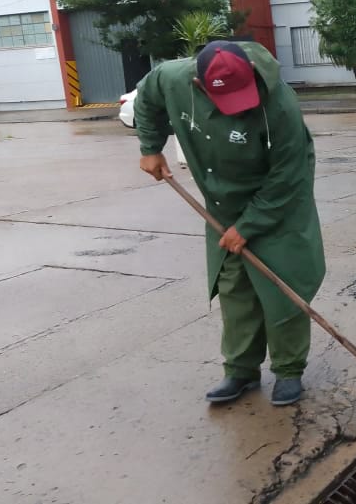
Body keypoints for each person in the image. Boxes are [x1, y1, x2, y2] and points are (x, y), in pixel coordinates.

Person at [133, 40, 326, 406]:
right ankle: (240, 370)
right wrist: (150, 147)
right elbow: (146, 98)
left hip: (279, 201)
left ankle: (288, 370)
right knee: (235, 287)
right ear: (199, 85)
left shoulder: (279, 102)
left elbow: (289, 174)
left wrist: (249, 226)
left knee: (282, 287)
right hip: (223, 203)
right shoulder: (172, 78)